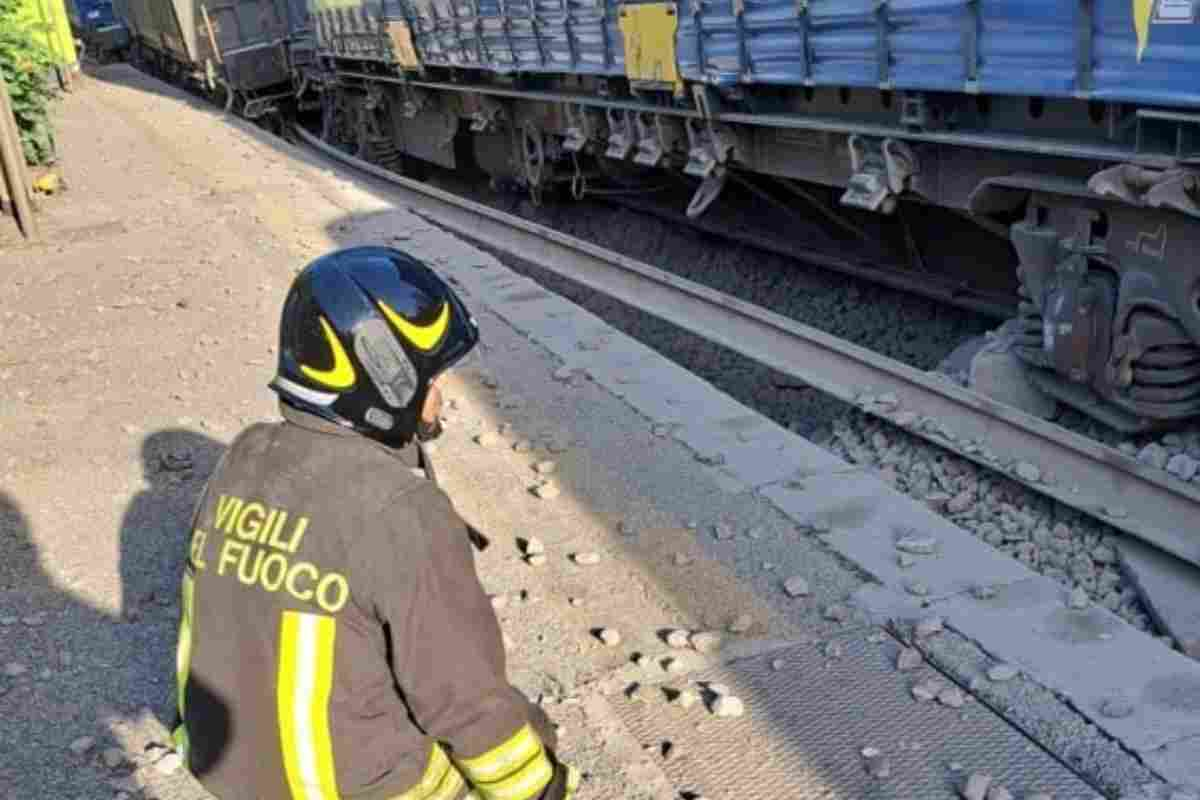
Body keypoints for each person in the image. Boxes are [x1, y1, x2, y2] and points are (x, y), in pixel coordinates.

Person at [172, 246, 579, 800]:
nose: (440, 395)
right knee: (520, 733)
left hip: (228, 772)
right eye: (430, 376)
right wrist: (540, 788)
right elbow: (462, 698)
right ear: (384, 376)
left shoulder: (245, 455)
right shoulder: (399, 510)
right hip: (350, 790)